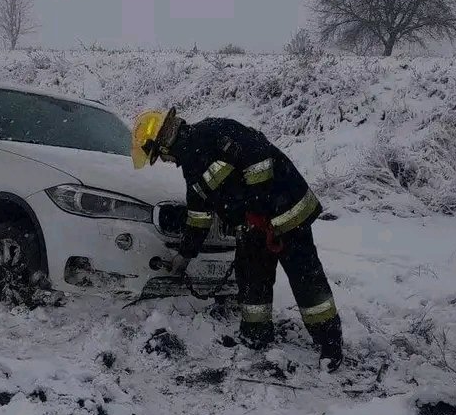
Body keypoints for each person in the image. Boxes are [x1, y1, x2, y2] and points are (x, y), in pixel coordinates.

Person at [130, 107, 344, 372]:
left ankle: (330, 345)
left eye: (159, 157)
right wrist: (184, 255)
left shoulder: (214, 132)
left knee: (305, 278)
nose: (166, 161)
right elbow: (199, 217)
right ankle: (256, 336)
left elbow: (260, 161)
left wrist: (256, 210)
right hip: (254, 227)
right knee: (251, 276)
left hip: (288, 213)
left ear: (164, 144)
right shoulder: (192, 169)